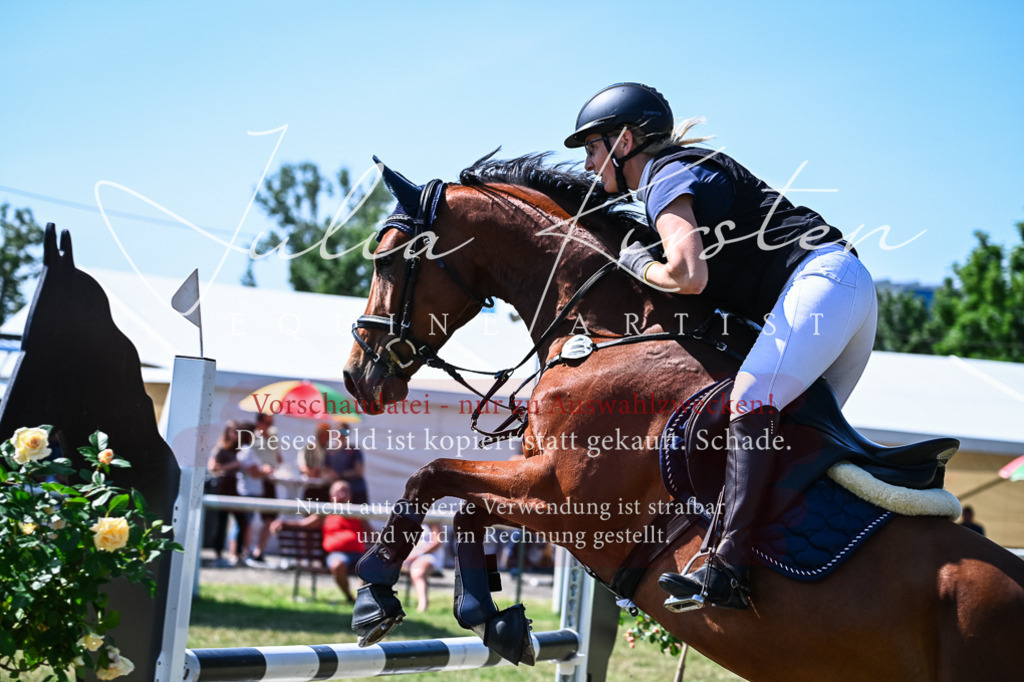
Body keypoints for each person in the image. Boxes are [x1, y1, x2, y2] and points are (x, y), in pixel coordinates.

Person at [564, 83, 878, 610]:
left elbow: (686, 274)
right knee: (788, 444)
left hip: (824, 284)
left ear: (623, 142)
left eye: (593, 148)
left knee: (750, 403)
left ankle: (727, 567)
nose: (590, 165)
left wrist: (635, 260)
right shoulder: (679, 173)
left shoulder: (664, 176)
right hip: (842, 290)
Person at [270, 480, 366, 602]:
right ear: (332, 496)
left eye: (345, 491)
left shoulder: (358, 512)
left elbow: (372, 531)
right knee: (338, 565)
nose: (342, 494)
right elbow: (304, 524)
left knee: (369, 564)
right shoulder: (325, 511)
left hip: (358, 554)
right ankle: (349, 597)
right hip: (337, 555)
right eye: (339, 491)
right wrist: (283, 523)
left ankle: (360, 599)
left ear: (350, 495)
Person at [238, 412, 282, 564]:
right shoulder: (252, 438)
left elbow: (278, 459)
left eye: (272, 423)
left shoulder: (273, 437)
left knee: (270, 517)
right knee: (248, 518)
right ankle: (245, 551)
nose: (270, 426)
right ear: (259, 422)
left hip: (269, 481)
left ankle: (258, 550)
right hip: (256, 480)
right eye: (267, 423)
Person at [207, 420, 251, 565]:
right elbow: (213, 468)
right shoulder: (220, 448)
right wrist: (233, 465)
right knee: (221, 521)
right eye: (234, 431)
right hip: (222, 486)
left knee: (241, 520)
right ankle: (218, 554)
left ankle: (237, 553)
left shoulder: (239, 449)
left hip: (234, 487)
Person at [403, 522, 446, 612]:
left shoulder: (432, 520)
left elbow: (437, 542)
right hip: (408, 557)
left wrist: (416, 555)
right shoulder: (408, 517)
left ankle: (422, 606)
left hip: (428, 556)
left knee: (418, 572)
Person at [324, 425, 369, 505]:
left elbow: (360, 472)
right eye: (339, 432)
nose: (341, 435)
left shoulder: (354, 450)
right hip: (338, 494)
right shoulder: (330, 452)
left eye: (345, 432)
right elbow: (326, 470)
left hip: (356, 491)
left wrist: (340, 475)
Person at [298, 423, 332, 502]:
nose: (325, 437)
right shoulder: (308, 448)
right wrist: (311, 472)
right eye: (323, 434)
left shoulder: (331, 450)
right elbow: (302, 465)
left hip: (325, 487)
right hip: (311, 486)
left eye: (327, 434)